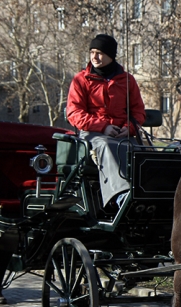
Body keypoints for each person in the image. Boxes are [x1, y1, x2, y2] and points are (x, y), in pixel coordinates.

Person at [66, 34, 146, 208]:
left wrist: (129, 128)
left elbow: (138, 111)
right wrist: (103, 127)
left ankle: (150, 192)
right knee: (107, 146)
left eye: (99, 53)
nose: (94, 57)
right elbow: (74, 112)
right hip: (93, 133)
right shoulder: (81, 80)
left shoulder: (127, 80)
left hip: (122, 132)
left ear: (111, 56)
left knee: (143, 151)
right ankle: (120, 196)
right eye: (92, 52)